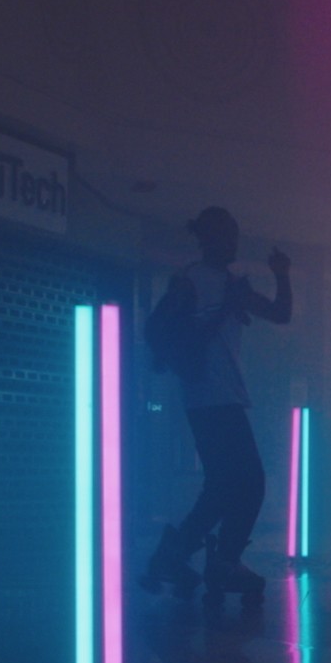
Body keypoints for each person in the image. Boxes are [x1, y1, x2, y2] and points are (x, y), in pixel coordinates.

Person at [140, 206, 292, 596]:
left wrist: (281, 275)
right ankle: (221, 560)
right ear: (207, 239)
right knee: (249, 481)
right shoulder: (190, 282)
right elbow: (167, 329)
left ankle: (180, 555)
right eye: (227, 237)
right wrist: (226, 307)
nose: (233, 245)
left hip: (221, 396)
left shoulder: (230, 284)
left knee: (224, 485)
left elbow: (280, 313)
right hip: (207, 396)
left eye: (235, 237)